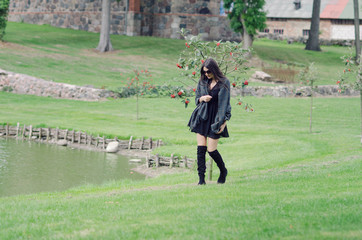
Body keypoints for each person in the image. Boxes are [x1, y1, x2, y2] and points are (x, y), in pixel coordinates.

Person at [188, 58, 231, 185]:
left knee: (211, 151)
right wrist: (202, 98)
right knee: (201, 149)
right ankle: (201, 180)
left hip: (216, 119)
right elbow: (196, 99)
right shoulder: (202, 81)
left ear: (214, 70)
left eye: (208, 72)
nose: (206, 74)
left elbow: (226, 104)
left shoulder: (224, 82)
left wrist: (224, 122)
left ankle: (223, 171)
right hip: (202, 117)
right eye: (204, 72)